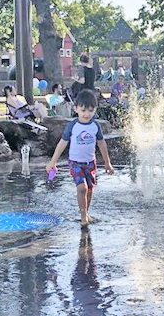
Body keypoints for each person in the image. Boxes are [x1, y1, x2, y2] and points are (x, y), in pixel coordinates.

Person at [46, 89, 115, 227]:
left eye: (90, 110)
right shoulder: (73, 126)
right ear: (76, 109)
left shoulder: (95, 126)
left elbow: (101, 144)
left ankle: (86, 212)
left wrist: (107, 163)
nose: (87, 114)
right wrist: (53, 162)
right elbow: (62, 143)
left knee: (89, 189)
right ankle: (83, 216)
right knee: (82, 188)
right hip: (75, 162)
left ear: (95, 109)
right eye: (83, 110)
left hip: (90, 162)